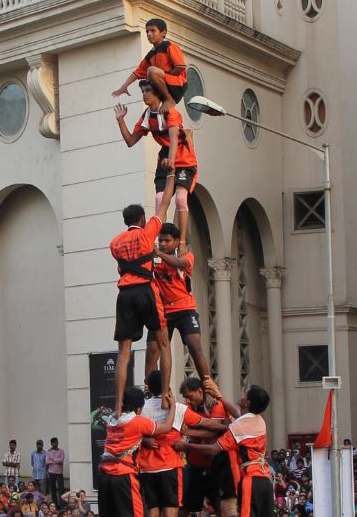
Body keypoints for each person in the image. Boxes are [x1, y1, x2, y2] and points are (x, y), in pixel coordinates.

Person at [108, 180, 176, 415]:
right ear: (141, 219)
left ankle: (117, 406)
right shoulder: (148, 233)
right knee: (164, 344)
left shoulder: (115, 243)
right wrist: (171, 177)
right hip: (146, 290)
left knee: (123, 353)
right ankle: (165, 395)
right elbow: (165, 204)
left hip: (124, 294)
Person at [114, 81, 198, 251]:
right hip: (165, 157)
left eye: (148, 91)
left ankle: (182, 242)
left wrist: (172, 161)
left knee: (181, 198)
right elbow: (131, 141)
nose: (144, 94)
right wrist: (120, 120)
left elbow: (174, 138)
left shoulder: (170, 112)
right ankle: (162, 239)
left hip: (184, 158)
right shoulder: (147, 116)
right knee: (159, 200)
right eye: (143, 91)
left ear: (158, 94)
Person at [136, 371, 228, 517]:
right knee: (171, 510)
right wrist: (229, 428)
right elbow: (208, 424)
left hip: (147, 468)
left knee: (152, 510)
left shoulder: (140, 409)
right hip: (170, 465)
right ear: (167, 385)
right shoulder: (178, 408)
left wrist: (145, 440)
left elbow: (131, 435)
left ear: (150, 388)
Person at [175, 385, 275, 517]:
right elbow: (237, 413)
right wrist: (219, 396)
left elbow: (213, 450)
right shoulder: (258, 420)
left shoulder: (239, 426)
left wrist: (186, 446)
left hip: (250, 479)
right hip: (265, 479)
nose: (242, 394)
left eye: (245, 393)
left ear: (247, 402)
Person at [146, 223, 213, 389]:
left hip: (185, 309)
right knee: (152, 352)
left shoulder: (186, 256)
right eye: (160, 240)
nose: (162, 243)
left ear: (177, 241)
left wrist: (159, 253)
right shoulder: (154, 260)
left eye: (167, 241)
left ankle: (208, 387)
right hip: (162, 311)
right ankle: (152, 391)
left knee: (194, 346)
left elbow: (180, 264)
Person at [98, 386, 180, 517]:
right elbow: (166, 428)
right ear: (139, 408)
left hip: (104, 476)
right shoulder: (138, 422)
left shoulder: (112, 419)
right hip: (124, 476)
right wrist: (173, 406)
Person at [179, 376, 233, 517]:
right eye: (185, 397)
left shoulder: (216, 405)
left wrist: (188, 431)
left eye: (190, 396)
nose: (188, 401)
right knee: (185, 506)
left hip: (214, 465)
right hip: (195, 464)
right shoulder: (188, 407)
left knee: (219, 504)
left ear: (199, 392)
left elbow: (213, 433)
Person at [112, 18, 188, 112]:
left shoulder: (169, 45)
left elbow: (180, 67)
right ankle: (155, 111)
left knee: (151, 71)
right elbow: (138, 72)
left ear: (163, 33)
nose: (149, 34)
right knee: (147, 83)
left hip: (178, 84)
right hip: (166, 83)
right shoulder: (151, 54)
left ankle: (169, 99)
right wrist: (124, 86)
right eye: (147, 31)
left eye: (152, 30)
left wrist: (166, 79)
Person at [44, 440, 65, 507]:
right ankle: (55, 505)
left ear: (58, 443)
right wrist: (57, 460)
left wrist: (53, 460)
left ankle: (62, 505)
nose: (55, 444)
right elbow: (47, 461)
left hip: (59, 473)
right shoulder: (48, 451)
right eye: (53, 442)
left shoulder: (61, 451)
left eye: (56, 442)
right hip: (51, 473)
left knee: (61, 489)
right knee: (53, 490)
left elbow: (61, 459)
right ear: (51, 443)